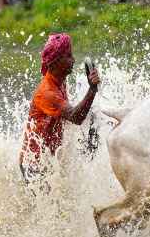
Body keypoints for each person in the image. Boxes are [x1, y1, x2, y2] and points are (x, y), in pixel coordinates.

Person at [20, 33, 101, 178]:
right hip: (34, 164)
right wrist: (92, 89)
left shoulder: (60, 81)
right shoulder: (47, 93)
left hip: (49, 159)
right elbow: (75, 117)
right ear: (56, 62)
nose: (73, 60)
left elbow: (69, 114)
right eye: (68, 56)